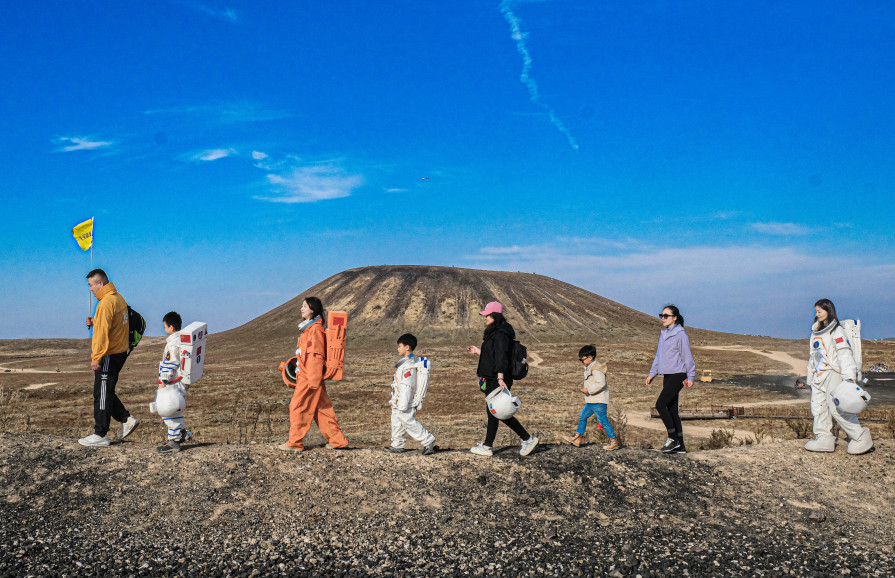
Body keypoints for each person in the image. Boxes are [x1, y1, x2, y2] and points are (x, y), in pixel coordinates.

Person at [466, 301, 538, 457]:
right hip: (494, 376)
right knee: (494, 410)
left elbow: (501, 357)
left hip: (497, 378)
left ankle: (526, 439)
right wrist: (479, 351)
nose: (485, 318)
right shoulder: (498, 332)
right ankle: (489, 446)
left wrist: (500, 377)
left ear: (494, 316)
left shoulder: (500, 334)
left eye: (487, 315)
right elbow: (495, 355)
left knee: (497, 410)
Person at [278, 297, 349, 452]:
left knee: (298, 406)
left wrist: (312, 380)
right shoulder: (310, 329)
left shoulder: (315, 330)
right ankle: (337, 441)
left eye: (304, 306)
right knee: (322, 409)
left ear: (312, 309)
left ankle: (295, 443)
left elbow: (315, 356)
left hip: (309, 376)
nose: (301, 308)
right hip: (311, 375)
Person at [78, 269, 139, 447]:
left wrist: (96, 357)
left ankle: (101, 434)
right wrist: (95, 321)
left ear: (100, 283)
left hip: (109, 354)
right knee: (106, 390)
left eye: (91, 285)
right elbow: (112, 324)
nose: (90, 289)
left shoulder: (105, 303)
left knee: (102, 392)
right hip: (119, 351)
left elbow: (102, 334)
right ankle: (126, 419)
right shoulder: (118, 297)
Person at [804, 299, 873, 454]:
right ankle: (824, 438)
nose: (817, 314)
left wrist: (849, 376)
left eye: (820, 311)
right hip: (819, 375)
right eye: (816, 311)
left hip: (832, 373)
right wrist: (810, 374)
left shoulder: (837, 331)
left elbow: (844, 353)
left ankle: (860, 437)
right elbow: (813, 355)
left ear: (828, 310)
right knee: (818, 406)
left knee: (838, 406)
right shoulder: (816, 333)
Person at [646, 304, 695, 454]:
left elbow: (687, 355)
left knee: (660, 405)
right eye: (661, 315)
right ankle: (681, 446)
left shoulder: (680, 334)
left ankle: (672, 439)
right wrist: (652, 374)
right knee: (672, 409)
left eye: (666, 315)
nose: (663, 318)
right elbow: (658, 356)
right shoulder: (663, 334)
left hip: (679, 374)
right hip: (667, 374)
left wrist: (690, 376)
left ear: (674, 318)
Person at [385, 333, 436, 455]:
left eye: (399, 346)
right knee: (396, 421)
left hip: (405, 401)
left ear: (407, 347)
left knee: (408, 422)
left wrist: (403, 404)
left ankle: (428, 440)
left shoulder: (408, 367)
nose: (398, 349)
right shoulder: (405, 364)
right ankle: (397, 444)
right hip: (399, 400)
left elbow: (407, 386)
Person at [563, 345, 618, 450]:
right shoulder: (591, 367)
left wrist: (589, 390)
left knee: (603, 421)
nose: (581, 361)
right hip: (592, 400)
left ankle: (613, 441)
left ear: (590, 357)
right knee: (583, 416)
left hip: (598, 401)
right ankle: (577, 438)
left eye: (582, 359)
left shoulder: (596, 369)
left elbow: (601, 384)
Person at [155, 311, 193, 454]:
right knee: (175, 408)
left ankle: (174, 441)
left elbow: (170, 363)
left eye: (165, 327)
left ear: (171, 327)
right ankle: (181, 433)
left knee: (168, 409)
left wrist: (163, 381)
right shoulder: (181, 341)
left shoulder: (172, 344)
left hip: (173, 381)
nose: (164, 329)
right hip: (181, 380)